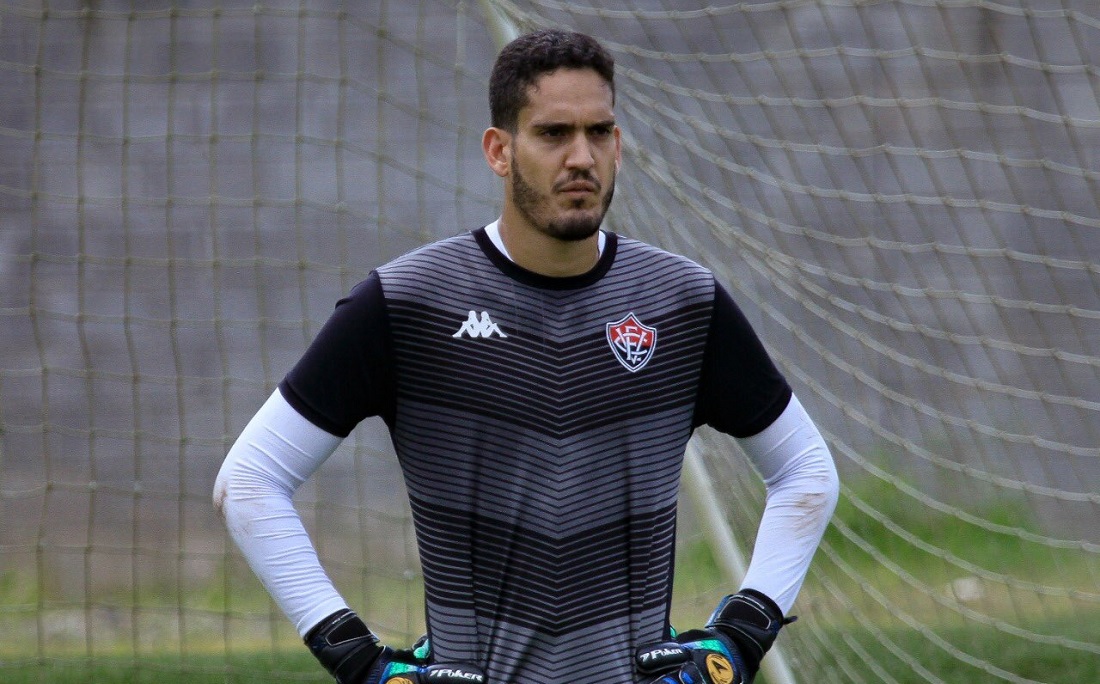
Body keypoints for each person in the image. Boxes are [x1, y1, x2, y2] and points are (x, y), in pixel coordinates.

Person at [214, 28, 839, 684]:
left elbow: (806, 472)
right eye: (553, 134)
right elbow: (250, 482)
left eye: (599, 133)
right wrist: (357, 660)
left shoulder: (682, 302)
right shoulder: (407, 303)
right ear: (499, 150)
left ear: (619, 144)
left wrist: (742, 634)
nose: (582, 157)